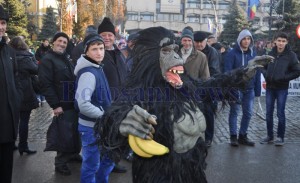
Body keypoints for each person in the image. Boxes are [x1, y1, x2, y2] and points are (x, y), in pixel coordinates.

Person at [38, 32, 81, 176]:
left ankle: (73, 154)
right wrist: (55, 105)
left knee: (73, 132)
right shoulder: (48, 60)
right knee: (64, 134)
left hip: (72, 103)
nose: (62, 44)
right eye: (60, 41)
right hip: (61, 104)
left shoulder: (65, 59)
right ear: (53, 42)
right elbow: (46, 84)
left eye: (64, 42)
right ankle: (60, 162)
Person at [74, 33, 115, 182]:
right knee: (91, 166)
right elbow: (83, 104)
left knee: (108, 160)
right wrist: (104, 115)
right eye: (94, 49)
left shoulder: (97, 67)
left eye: (101, 48)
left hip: (100, 126)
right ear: (86, 51)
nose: (99, 52)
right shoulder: (88, 73)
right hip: (91, 128)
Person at [98, 17, 128, 173]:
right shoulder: (97, 53)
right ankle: (103, 165)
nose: (107, 38)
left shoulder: (119, 53)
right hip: (105, 102)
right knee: (105, 135)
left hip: (120, 101)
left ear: (114, 36)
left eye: (110, 35)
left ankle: (112, 162)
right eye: (103, 35)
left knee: (115, 133)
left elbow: (124, 73)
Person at [260, 32, 300, 146]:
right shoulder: (270, 53)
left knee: (280, 113)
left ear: (286, 42)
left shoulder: (291, 55)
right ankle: (269, 136)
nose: (281, 43)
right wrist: (266, 74)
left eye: (283, 41)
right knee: (268, 113)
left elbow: (297, 71)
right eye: (279, 41)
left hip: (282, 88)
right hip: (270, 88)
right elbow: (262, 66)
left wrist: (284, 78)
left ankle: (280, 137)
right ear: (275, 41)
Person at [224, 29, 261, 146]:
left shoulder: (253, 54)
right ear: (240, 40)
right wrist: (230, 88)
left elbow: (257, 72)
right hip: (236, 88)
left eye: (248, 38)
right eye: (244, 38)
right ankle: (233, 136)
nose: (246, 41)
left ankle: (243, 135)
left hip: (249, 89)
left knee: (248, 113)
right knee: (234, 112)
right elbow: (227, 73)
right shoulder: (231, 54)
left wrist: (258, 89)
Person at [0, 5, 23, 183]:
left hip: (8, 122)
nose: (1, 27)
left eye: (3, 23)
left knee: (6, 168)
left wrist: (16, 99)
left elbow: (16, 78)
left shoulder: (9, 51)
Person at [9, 36, 39, 156]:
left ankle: (11, 144)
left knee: (12, 120)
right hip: (25, 91)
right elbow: (36, 70)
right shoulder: (26, 57)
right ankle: (23, 145)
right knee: (24, 121)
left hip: (11, 91)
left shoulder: (8, 56)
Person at [194, 31, 221, 147]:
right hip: (194, 88)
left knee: (208, 112)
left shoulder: (212, 52)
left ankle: (209, 138)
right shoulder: (192, 51)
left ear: (206, 41)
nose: (199, 45)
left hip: (209, 87)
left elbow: (214, 71)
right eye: (197, 42)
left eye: (202, 42)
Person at [35, 38, 51, 105]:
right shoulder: (39, 49)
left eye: (47, 42)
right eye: (46, 42)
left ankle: (44, 97)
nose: (46, 43)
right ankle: (40, 97)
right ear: (43, 42)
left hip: (48, 67)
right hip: (41, 67)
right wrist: (41, 60)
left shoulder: (50, 50)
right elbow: (36, 56)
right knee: (40, 81)